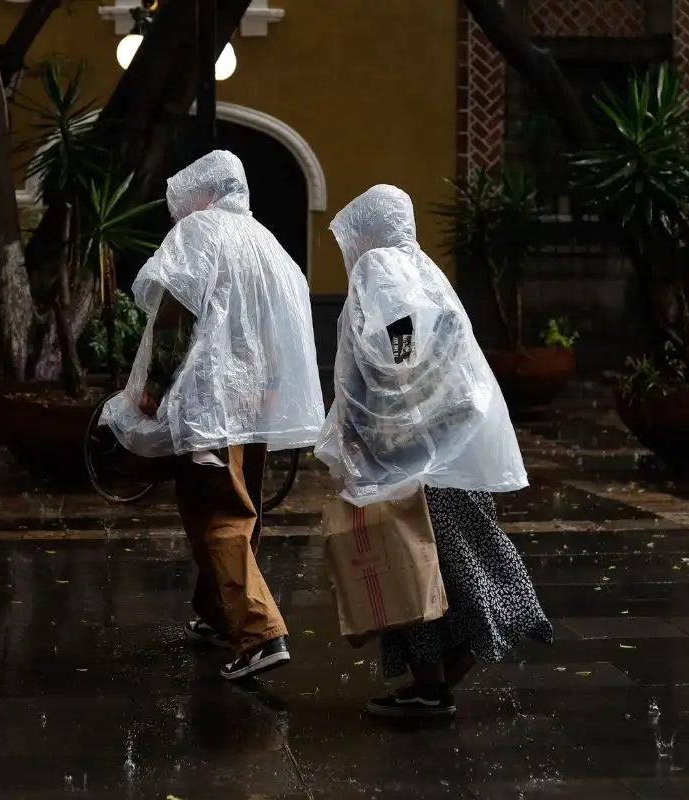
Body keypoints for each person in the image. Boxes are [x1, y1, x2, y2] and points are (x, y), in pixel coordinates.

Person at [316, 184, 553, 718]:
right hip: (449, 449)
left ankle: (431, 687)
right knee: (467, 558)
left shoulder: (382, 269)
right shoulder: (425, 272)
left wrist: (392, 388)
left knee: (412, 567)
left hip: (411, 457)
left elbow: (399, 341)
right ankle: (452, 669)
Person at [101, 150, 325, 681]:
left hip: (211, 401)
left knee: (218, 510)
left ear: (203, 192)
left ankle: (260, 633)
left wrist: (155, 382)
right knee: (237, 502)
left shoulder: (201, 232)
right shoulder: (265, 243)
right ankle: (216, 611)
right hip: (252, 401)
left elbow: (176, 311)